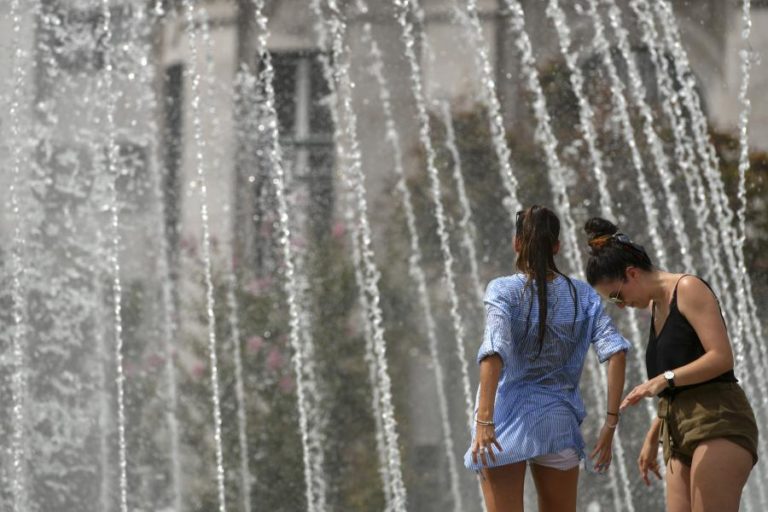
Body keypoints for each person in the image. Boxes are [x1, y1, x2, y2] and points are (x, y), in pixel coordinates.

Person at [583, 217, 759, 512]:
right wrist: (654, 435)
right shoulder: (654, 306)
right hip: (676, 432)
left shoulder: (688, 288)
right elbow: (678, 384)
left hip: (717, 420)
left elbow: (721, 357)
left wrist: (664, 378)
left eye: (617, 296)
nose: (621, 305)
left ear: (632, 273)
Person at [464, 206, 630, 512]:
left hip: (503, 421)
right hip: (557, 422)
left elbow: (493, 351)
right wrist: (609, 423)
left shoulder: (503, 290)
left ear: (516, 242)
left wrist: (484, 420)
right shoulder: (583, 294)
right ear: (557, 246)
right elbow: (616, 352)